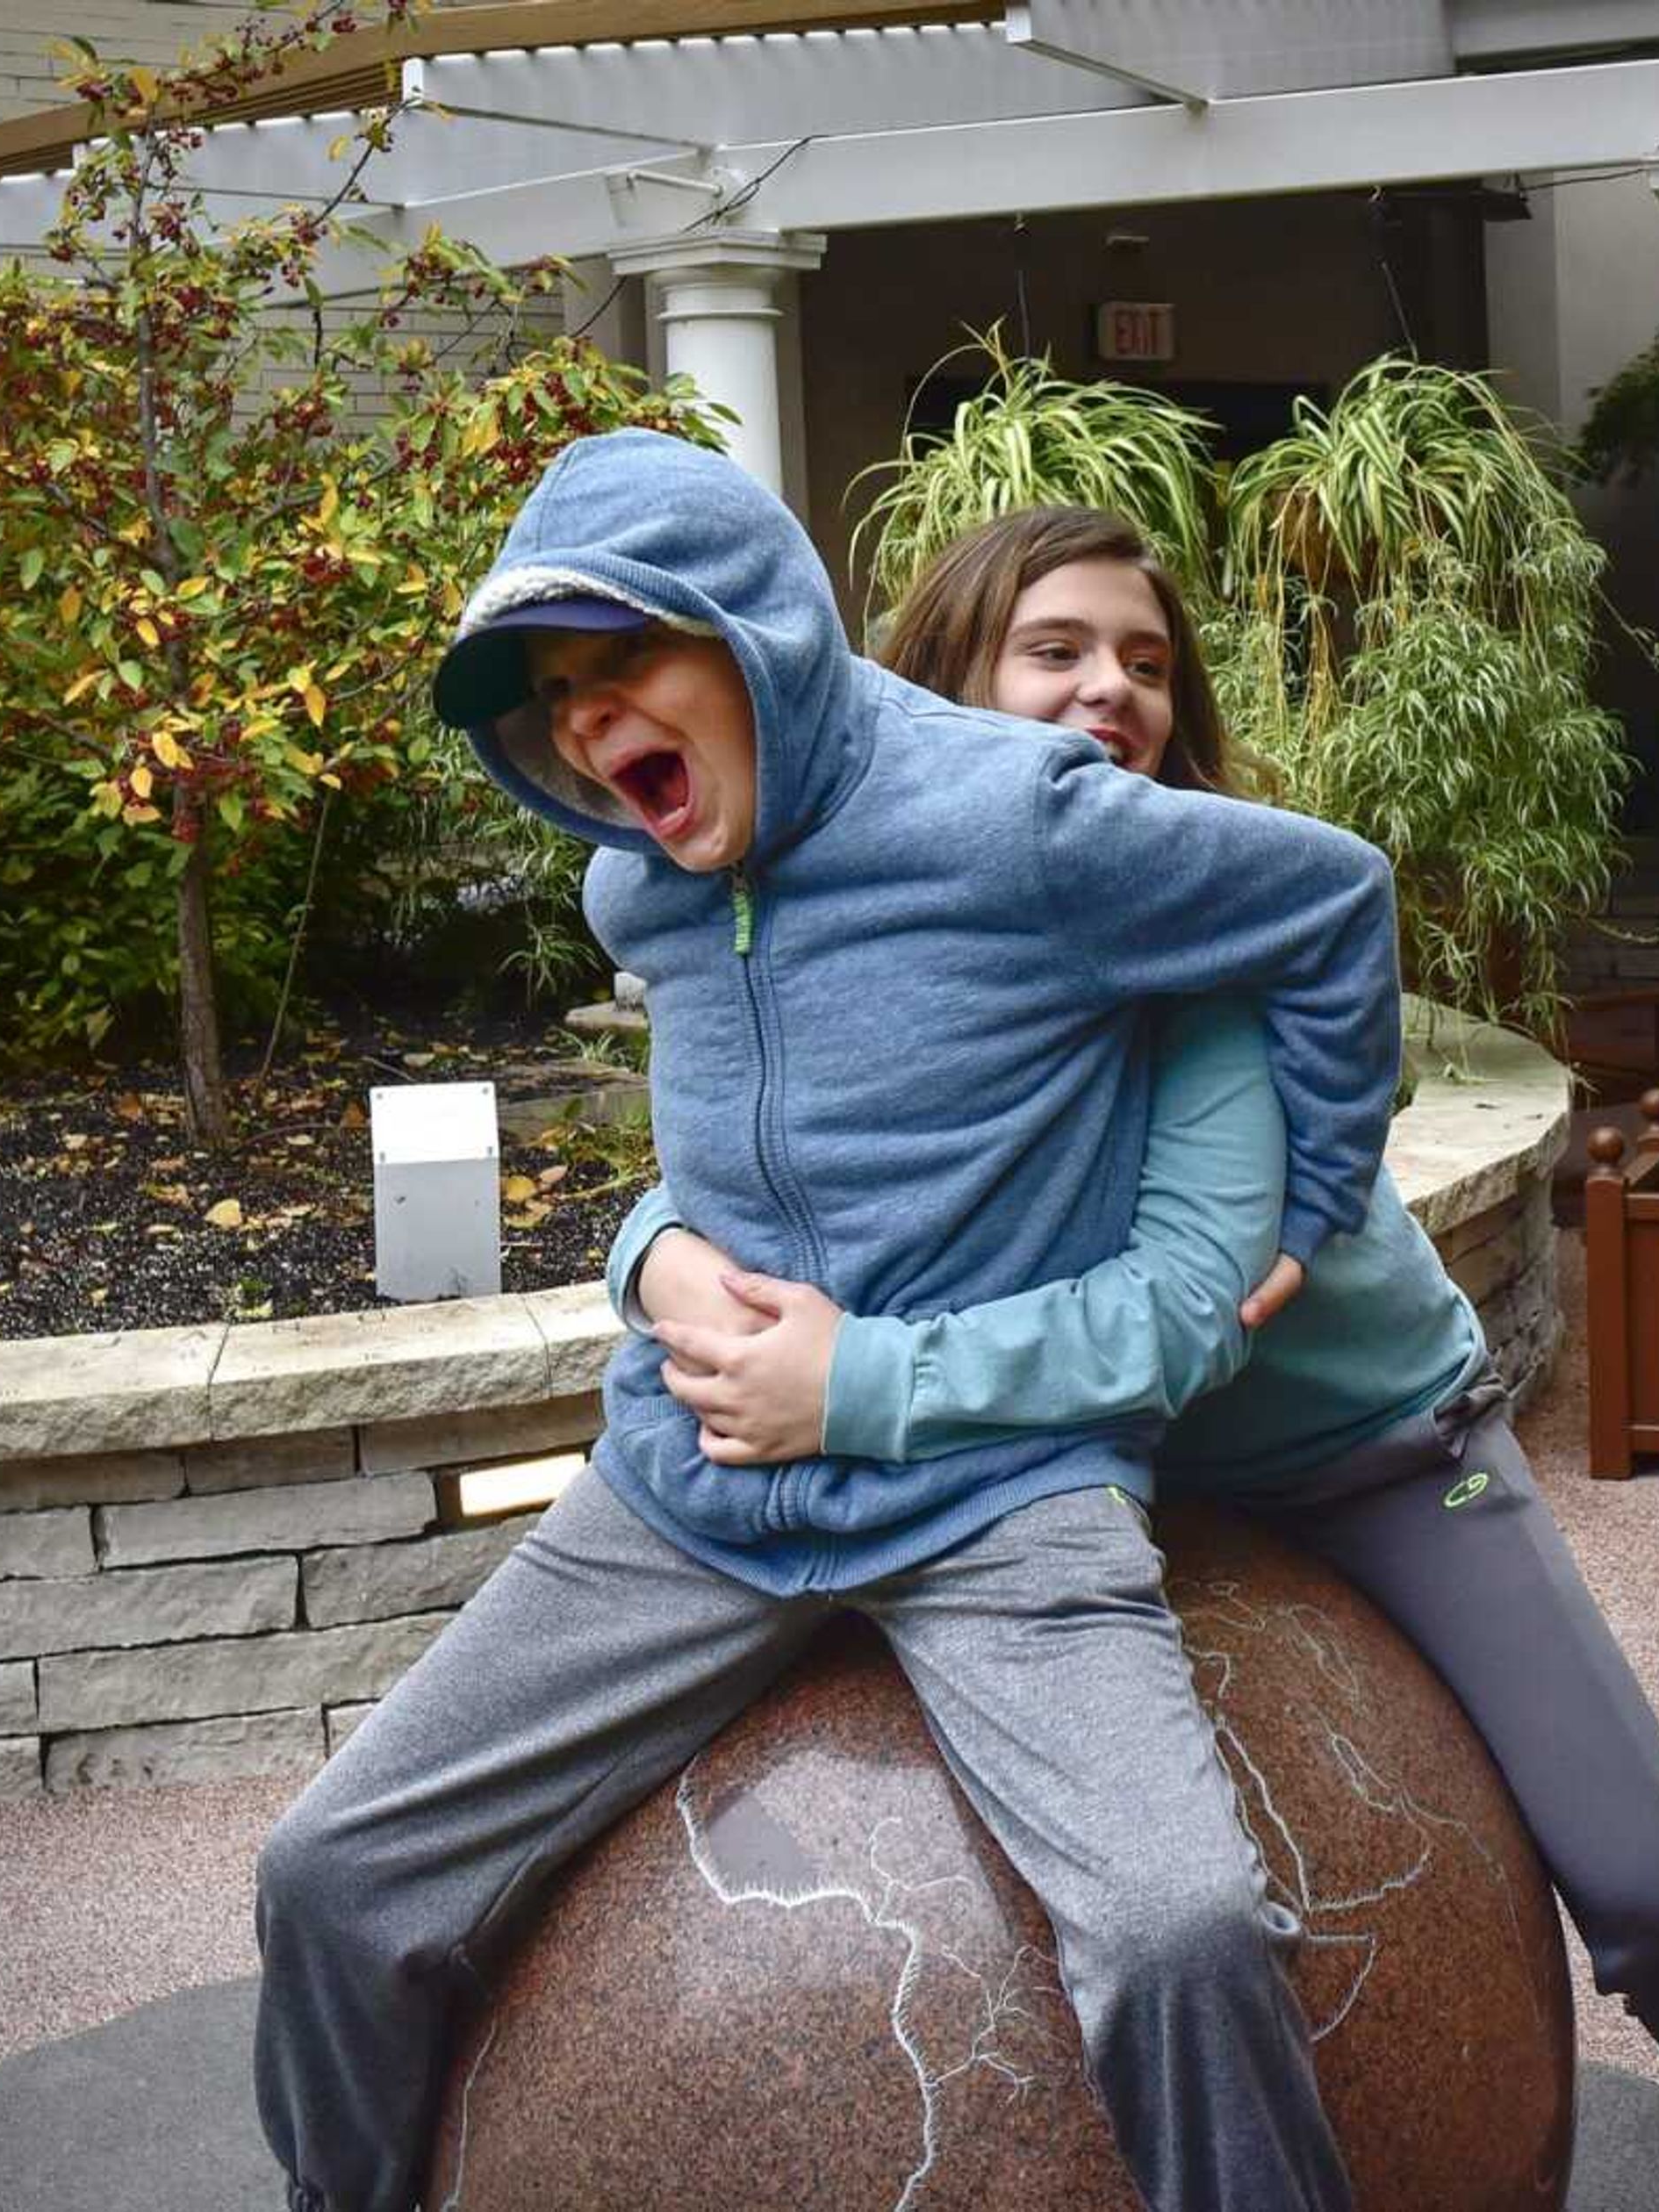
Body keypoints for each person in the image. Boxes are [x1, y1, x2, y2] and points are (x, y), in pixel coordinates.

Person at [614, 505, 1659, 2212]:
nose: (1116, 689)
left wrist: (855, 1385)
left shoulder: (1217, 931)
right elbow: (745, 1162)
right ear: (935, 680)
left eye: (1147, 662)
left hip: (1372, 1452)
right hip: (1066, 1474)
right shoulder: (867, 921)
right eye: (1059, 650)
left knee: (1655, 1876)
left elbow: (1180, 1318)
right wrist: (652, 1255)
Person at [251, 435, 1405, 2212]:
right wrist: (652, 1257)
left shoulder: (1022, 819)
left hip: (996, 1495)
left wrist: (1314, 1203)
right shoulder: (638, 883)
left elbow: (1335, 897)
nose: (585, 720)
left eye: (619, 662)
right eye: (555, 692)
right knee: (329, 1873)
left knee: (1182, 1931)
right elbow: (737, 1160)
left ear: (755, 633)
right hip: (688, 1489)